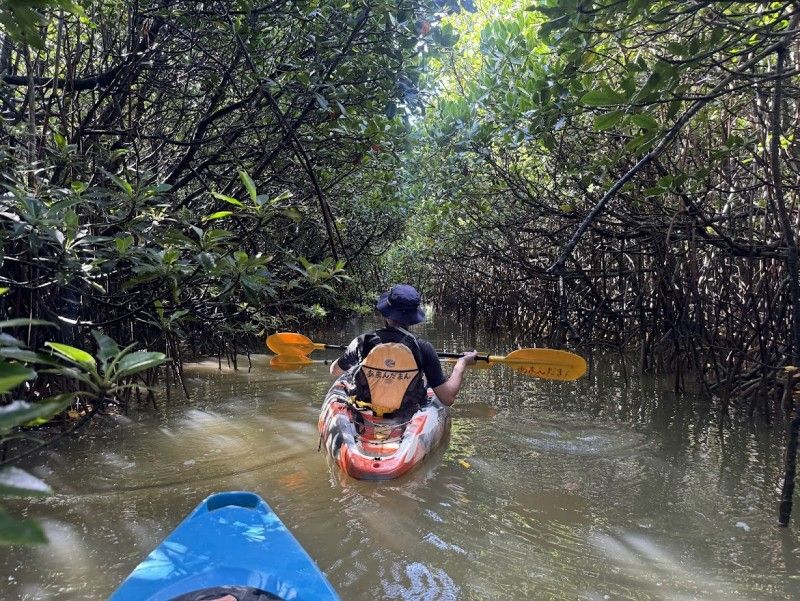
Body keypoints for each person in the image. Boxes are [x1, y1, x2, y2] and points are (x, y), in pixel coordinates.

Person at [329, 284, 477, 409]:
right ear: (413, 318)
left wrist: (354, 357)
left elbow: (334, 370)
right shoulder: (424, 348)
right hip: (405, 411)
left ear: (386, 313)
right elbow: (447, 398)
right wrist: (461, 364)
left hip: (365, 408)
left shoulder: (361, 342)